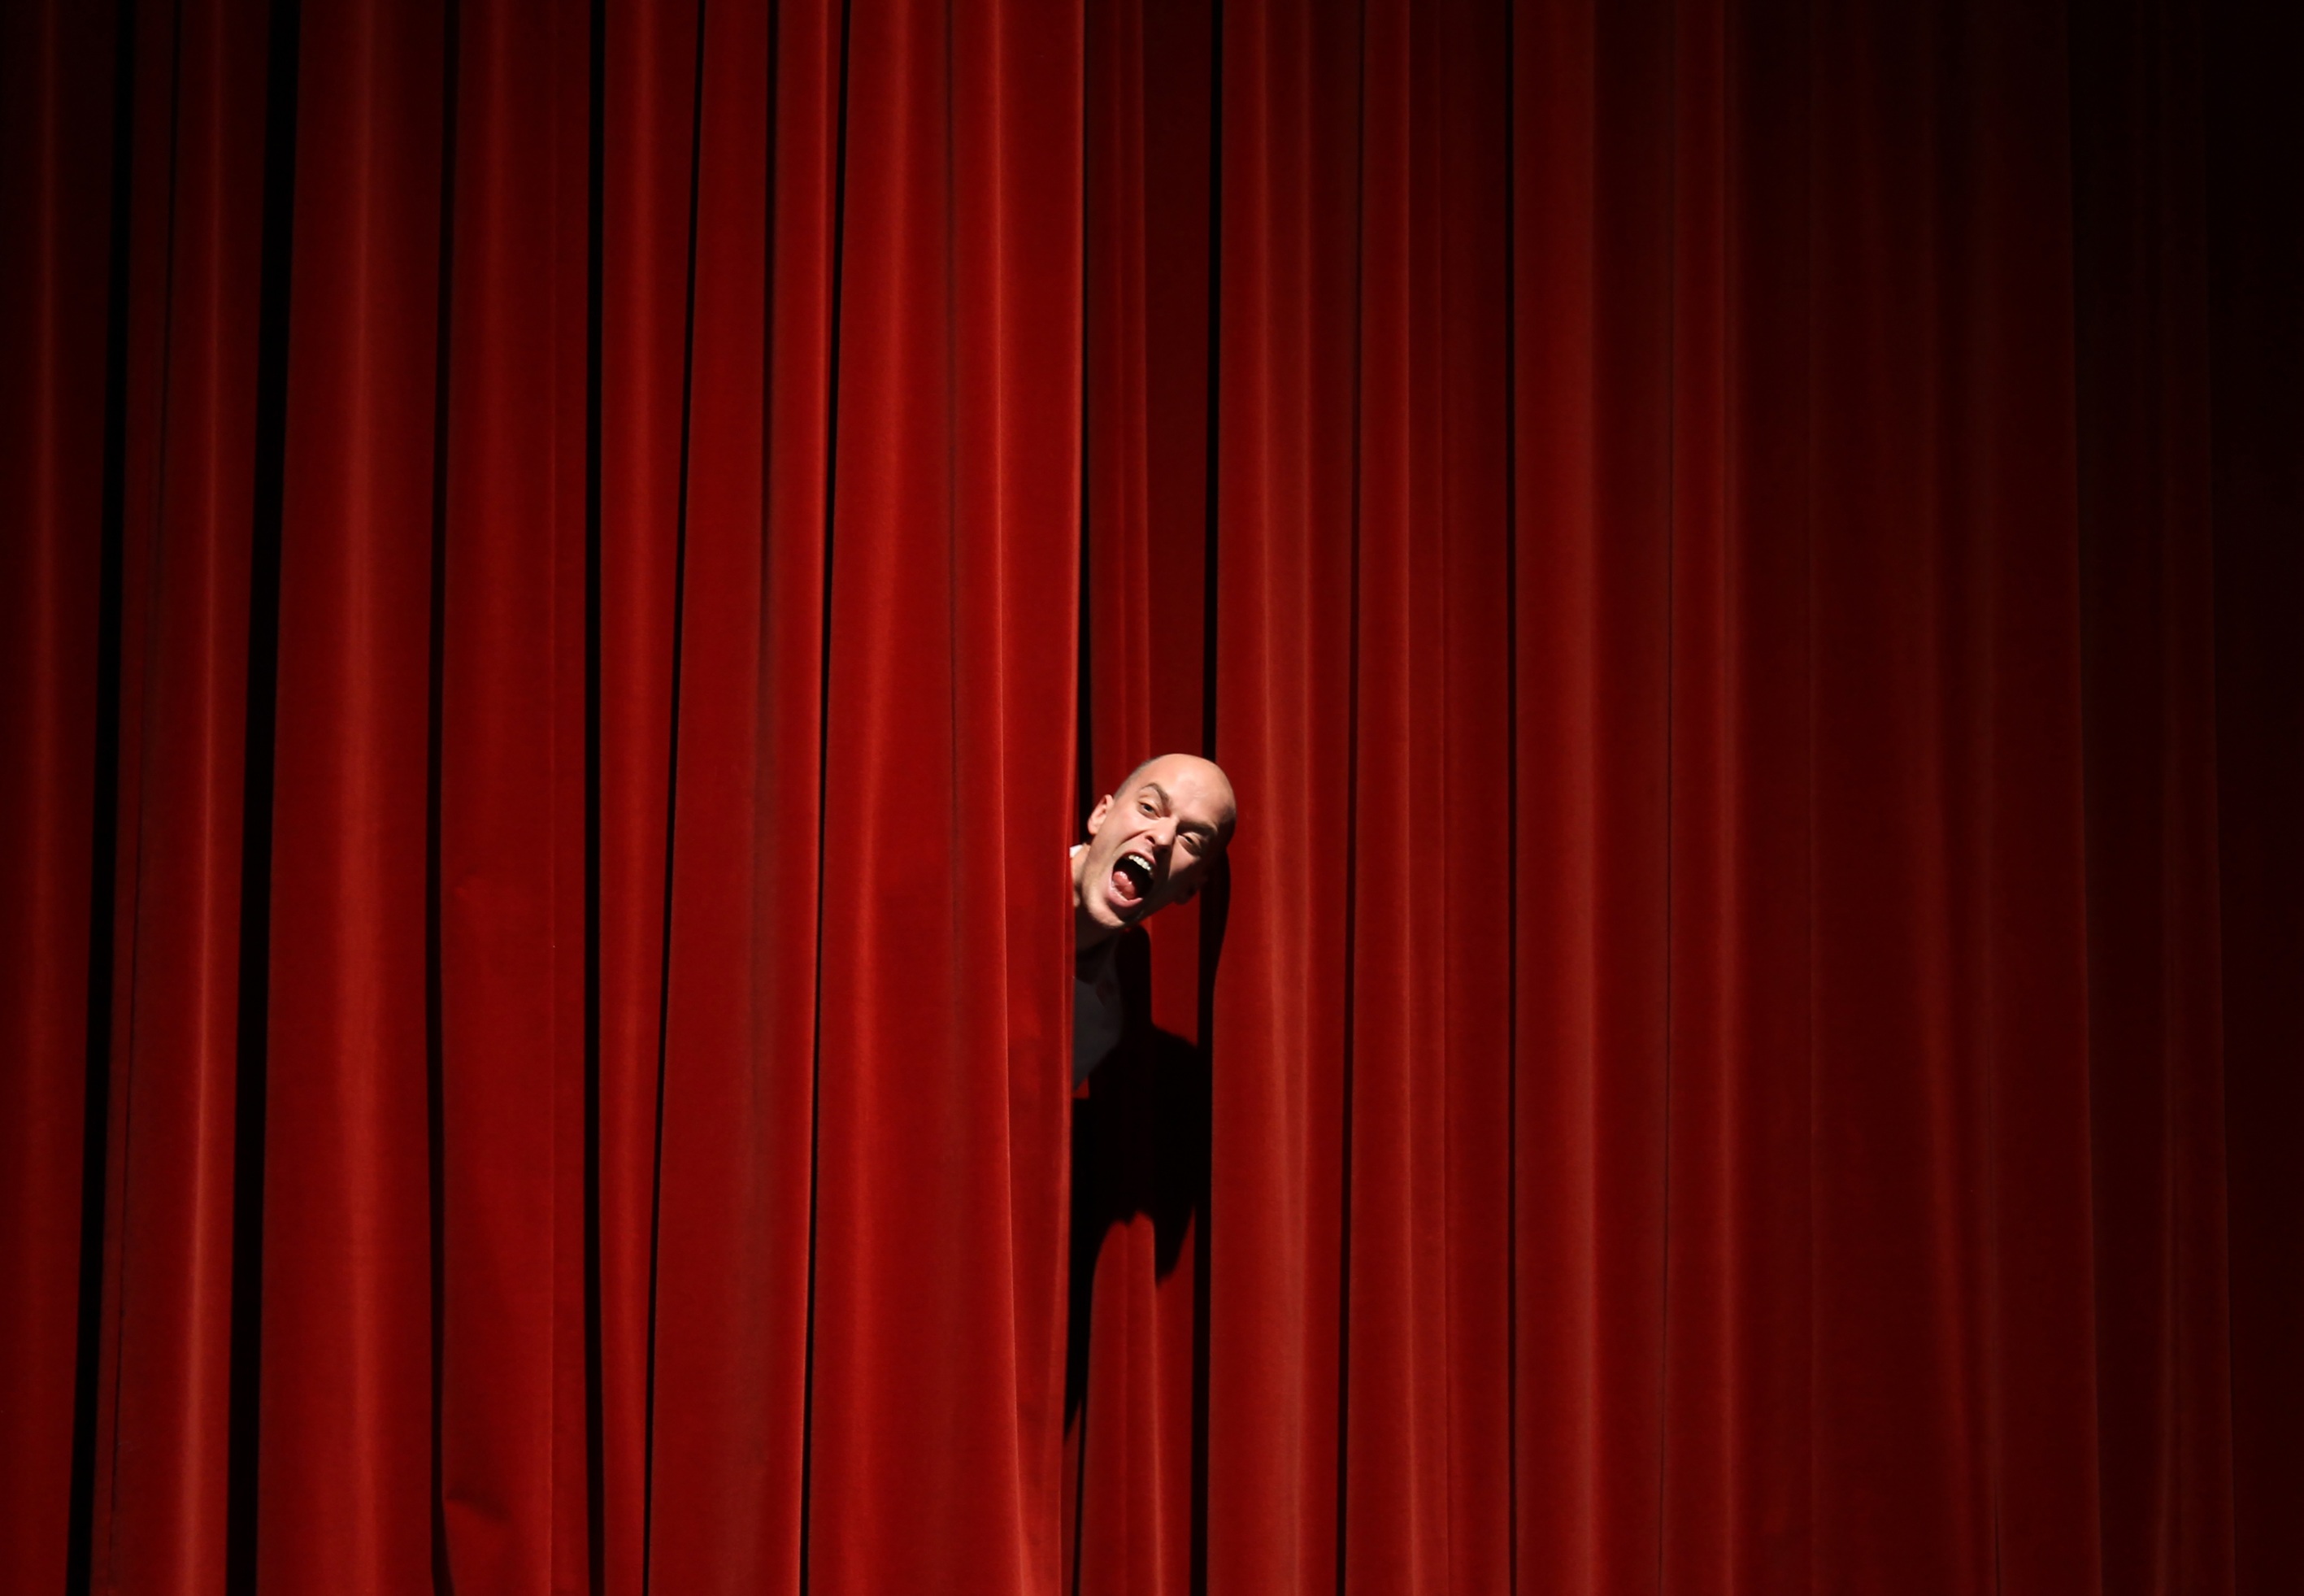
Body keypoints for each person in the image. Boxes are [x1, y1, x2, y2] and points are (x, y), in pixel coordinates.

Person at [1069, 753, 1237, 1081]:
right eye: (1149, 808)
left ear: (1190, 889)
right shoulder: (985, 889)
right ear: (1101, 815)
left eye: (1190, 840)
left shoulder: (1095, 1024)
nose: (1162, 838)